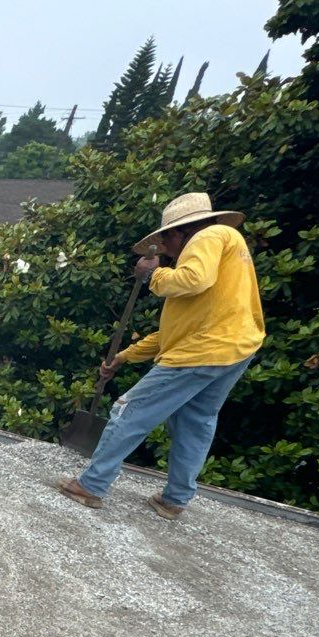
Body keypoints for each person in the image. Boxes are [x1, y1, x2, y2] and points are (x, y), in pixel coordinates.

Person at [57, 192, 265, 519]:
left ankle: (91, 485)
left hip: (203, 350)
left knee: (130, 410)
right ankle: (174, 500)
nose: (166, 252)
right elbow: (168, 336)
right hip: (235, 348)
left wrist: (153, 274)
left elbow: (193, 279)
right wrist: (123, 357)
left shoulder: (209, 235)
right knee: (194, 421)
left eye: (166, 241)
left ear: (180, 231)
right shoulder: (223, 261)